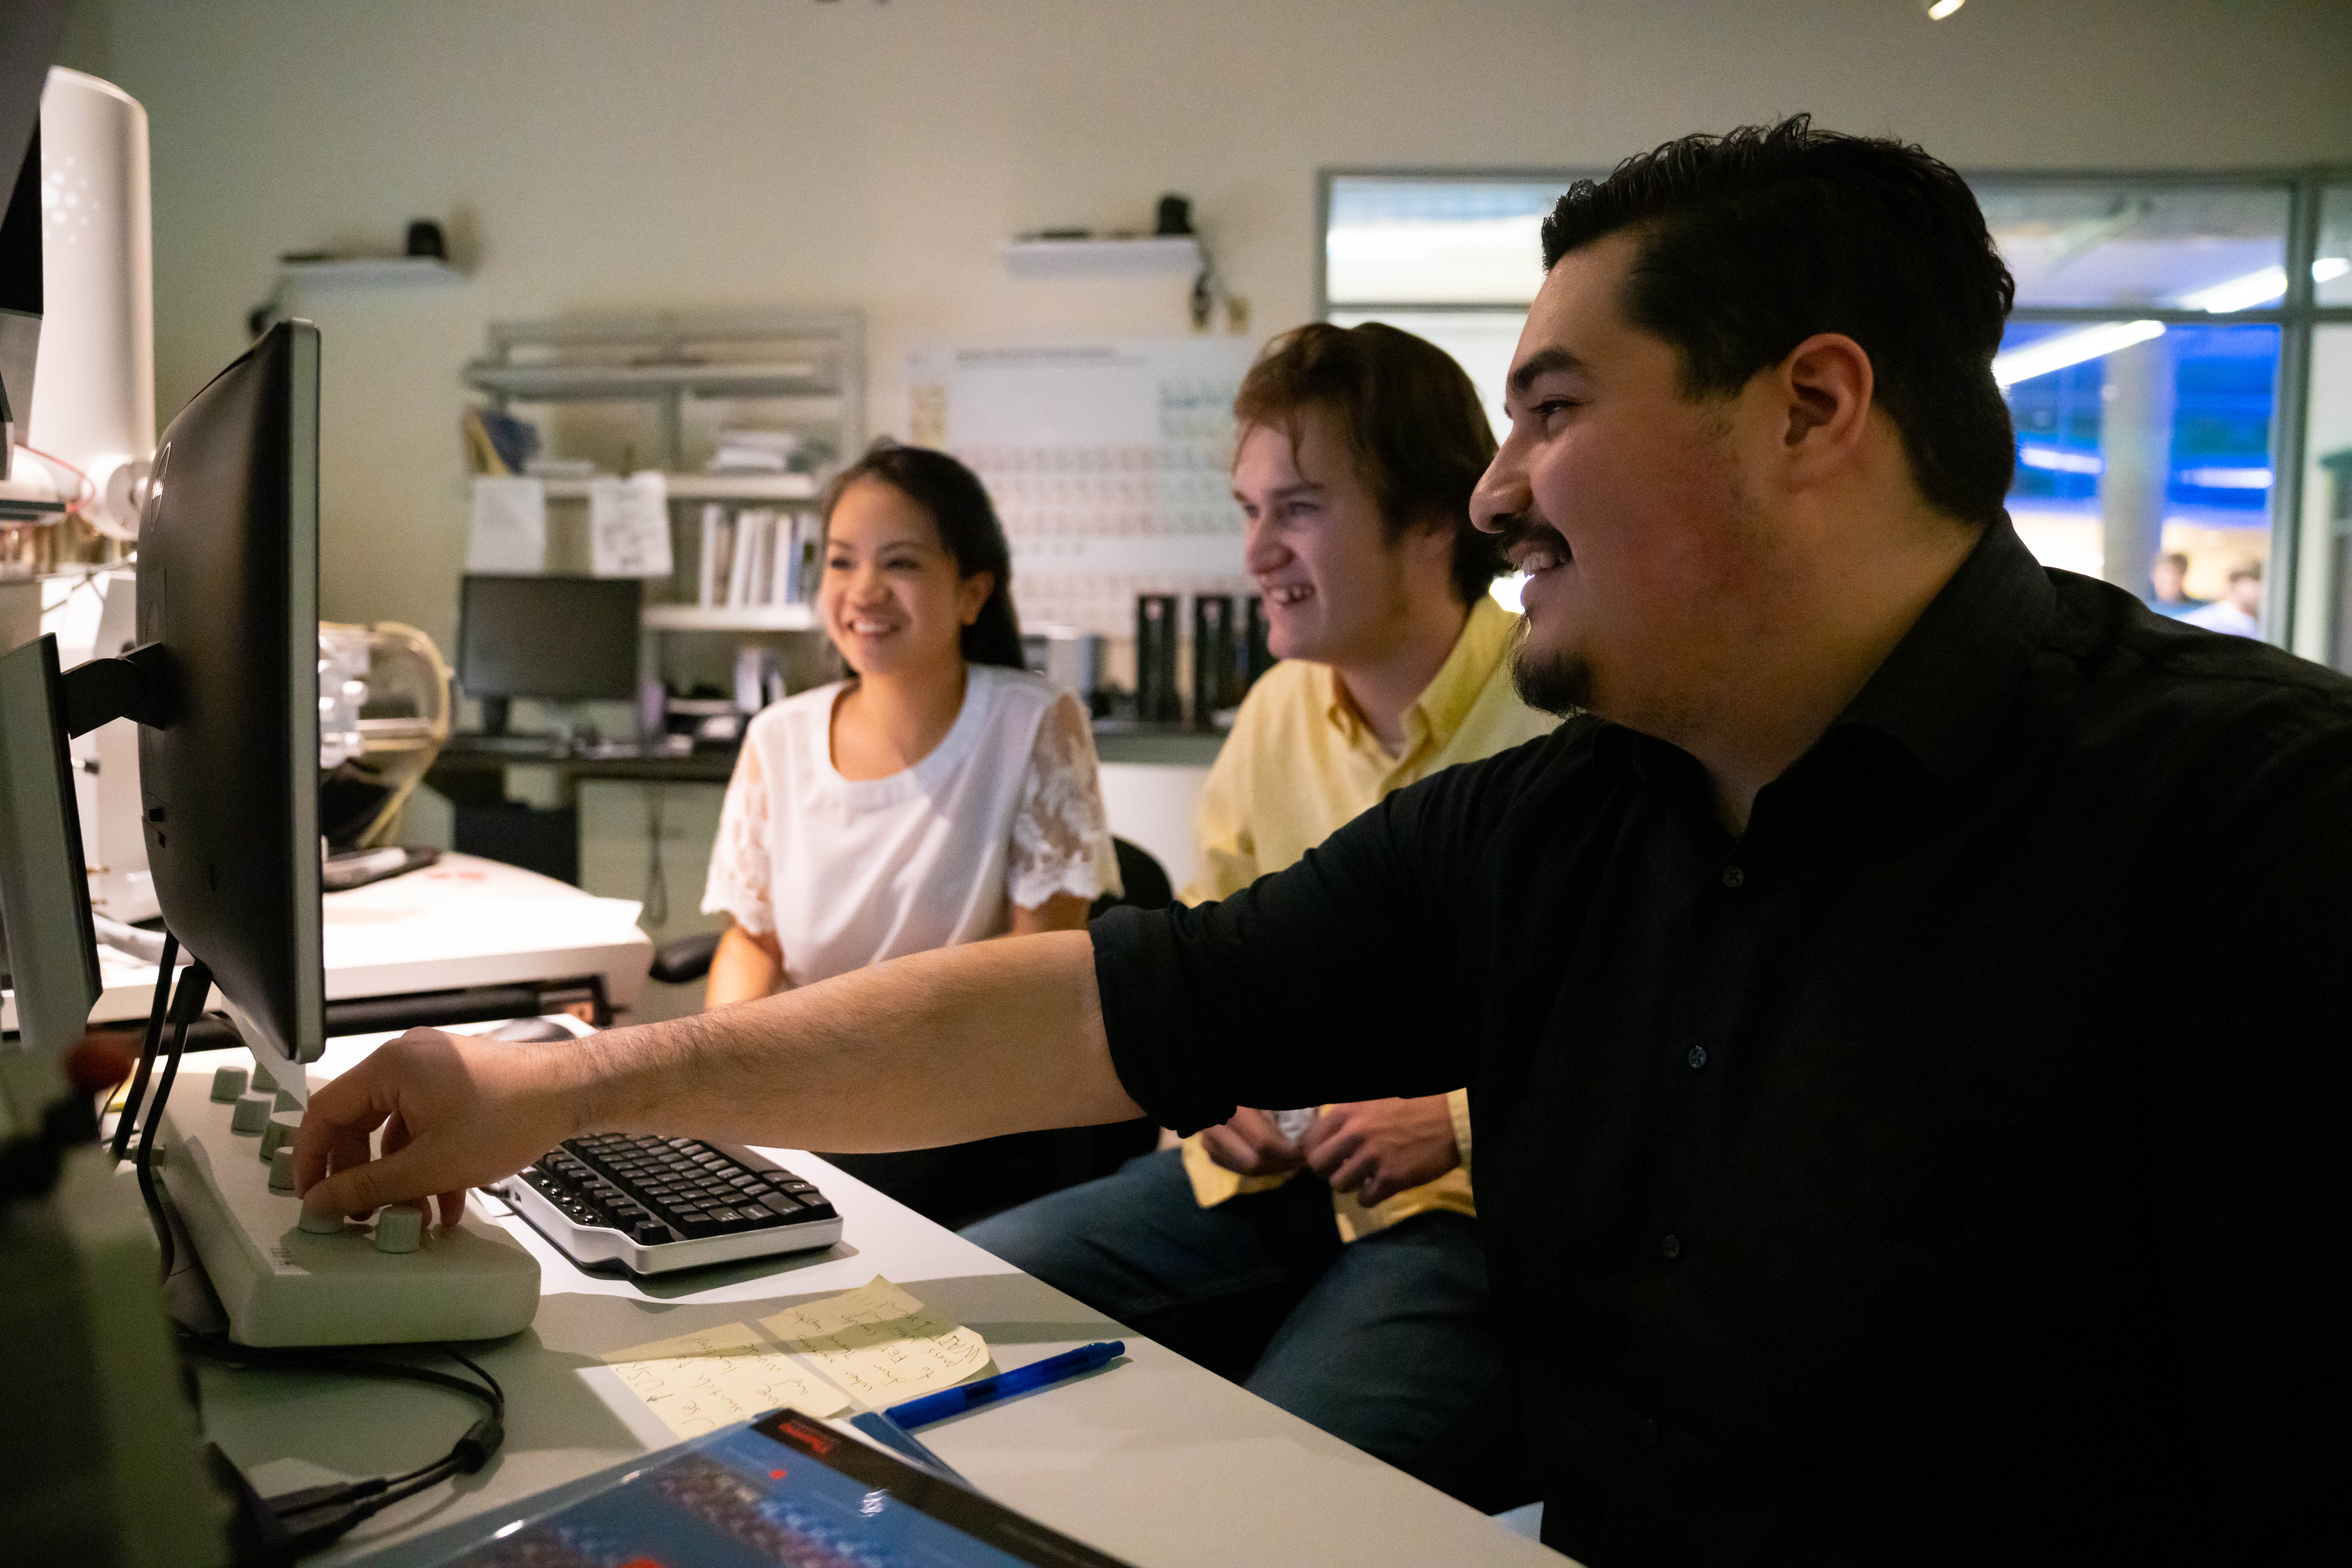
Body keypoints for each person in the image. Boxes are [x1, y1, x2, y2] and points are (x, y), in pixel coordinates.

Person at [297, 120, 2349, 1567]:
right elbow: (1111, 1000)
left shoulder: (2244, 820)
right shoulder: (1551, 828)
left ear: (1809, 409)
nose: (1496, 488)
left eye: (1550, 410)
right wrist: (540, 1089)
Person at [962, 321, 1557, 1511]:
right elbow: (1210, 958)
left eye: (1296, 510)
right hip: (1265, 1177)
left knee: (1266, 1500)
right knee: (952, 1305)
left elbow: (1654, 1044)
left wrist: (1452, 1119)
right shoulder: (1275, 714)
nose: (1254, 554)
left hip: (1464, 1217)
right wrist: (1212, 1090)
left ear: (1433, 520)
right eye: (1247, 510)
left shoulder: (1562, 721)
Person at [697, 441, 1122, 1228]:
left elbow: (1040, 969)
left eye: (900, 563)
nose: (864, 591)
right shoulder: (777, 738)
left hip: (965, 1114)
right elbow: (750, 942)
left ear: (971, 593)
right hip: (806, 1100)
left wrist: (858, 1071)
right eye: (840, 561)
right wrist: (724, 1072)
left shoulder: (1033, 722)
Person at [2180, 557, 2264, 637]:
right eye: (2257, 582)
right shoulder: (2204, 623)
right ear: (2234, 586)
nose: (2263, 590)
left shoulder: (2261, 623)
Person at [2148, 549, 2206, 616]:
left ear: (2183, 578)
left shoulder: (2199, 612)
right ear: (2153, 576)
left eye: (2173, 582)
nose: (2167, 587)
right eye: (2162, 581)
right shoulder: (2145, 611)